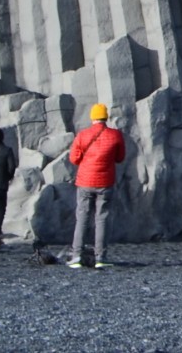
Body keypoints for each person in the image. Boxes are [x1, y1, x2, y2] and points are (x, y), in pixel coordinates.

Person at [66, 103, 126, 269]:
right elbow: (120, 158)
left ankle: (76, 255)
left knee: (82, 217)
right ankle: (100, 257)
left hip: (85, 181)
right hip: (106, 182)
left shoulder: (83, 135)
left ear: (92, 117)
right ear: (105, 117)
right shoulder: (115, 135)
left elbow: (74, 159)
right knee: (102, 218)